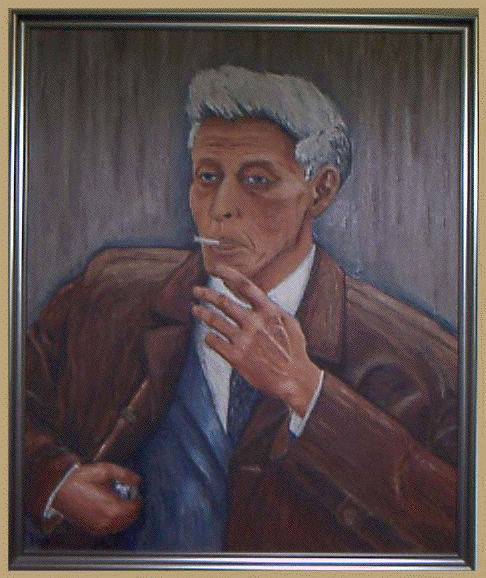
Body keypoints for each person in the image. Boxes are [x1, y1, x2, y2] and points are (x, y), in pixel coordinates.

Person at [25, 66, 457, 553]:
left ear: (321, 190)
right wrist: (53, 482)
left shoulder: (421, 360)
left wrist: (309, 392)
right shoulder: (106, 296)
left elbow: (460, 521)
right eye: (208, 177)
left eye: (257, 180)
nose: (221, 207)